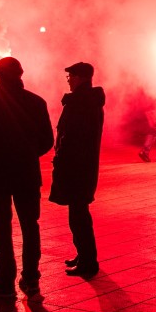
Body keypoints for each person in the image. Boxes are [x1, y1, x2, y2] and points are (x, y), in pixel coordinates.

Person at [0, 57, 54, 300]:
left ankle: (4, 282)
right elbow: (47, 139)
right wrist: (27, 154)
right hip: (26, 173)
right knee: (30, 226)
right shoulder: (36, 102)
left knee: (2, 229)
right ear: (20, 74)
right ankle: (31, 279)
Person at [49, 62, 105, 279]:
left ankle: (88, 262)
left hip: (77, 167)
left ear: (81, 78)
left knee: (78, 215)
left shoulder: (81, 104)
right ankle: (84, 255)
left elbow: (71, 137)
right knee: (78, 214)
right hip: (82, 166)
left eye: (71, 76)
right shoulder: (87, 102)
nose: (69, 80)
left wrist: (61, 158)